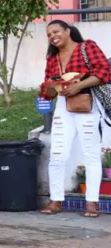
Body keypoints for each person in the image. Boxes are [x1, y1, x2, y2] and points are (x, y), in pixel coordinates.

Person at [39, 20, 111, 218]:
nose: (52, 36)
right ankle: (55, 200)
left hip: (86, 102)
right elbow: (48, 93)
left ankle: (92, 203)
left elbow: (104, 71)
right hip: (63, 106)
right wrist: (52, 88)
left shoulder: (87, 47)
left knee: (90, 154)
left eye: (56, 31)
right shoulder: (53, 59)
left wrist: (78, 85)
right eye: (48, 34)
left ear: (67, 31)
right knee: (57, 155)